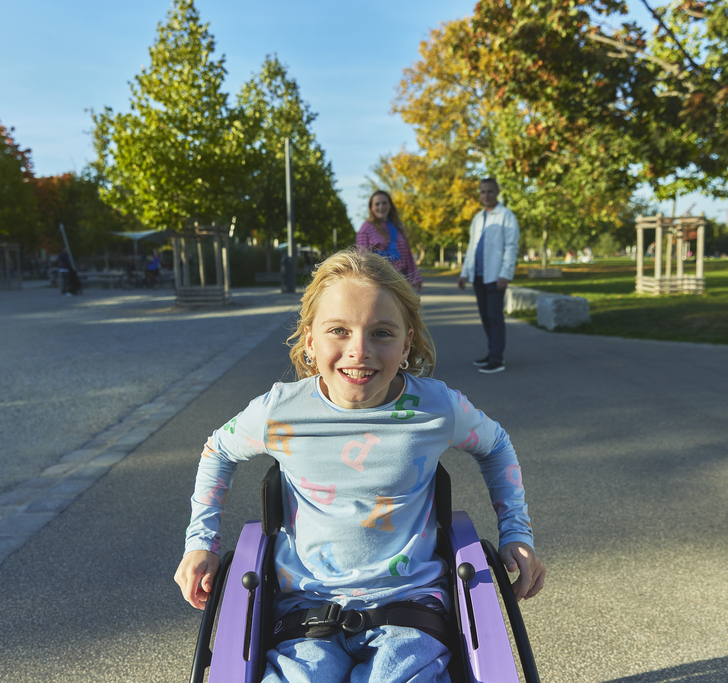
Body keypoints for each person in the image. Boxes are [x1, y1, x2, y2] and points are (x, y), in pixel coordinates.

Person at [175, 249, 545, 683]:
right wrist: (201, 541)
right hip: (304, 614)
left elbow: (496, 444)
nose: (360, 351)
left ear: (406, 343)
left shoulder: (437, 407)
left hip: (411, 611)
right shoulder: (279, 413)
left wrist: (516, 531)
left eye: (381, 333)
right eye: (339, 331)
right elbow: (217, 451)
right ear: (310, 340)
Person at [457, 178, 520, 375]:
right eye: (483, 192)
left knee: (494, 315)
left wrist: (505, 274)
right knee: (485, 316)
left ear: (497, 192)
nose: (486, 195)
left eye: (490, 192)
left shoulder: (506, 216)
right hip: (478, 275)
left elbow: (511, 246)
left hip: (495, 276)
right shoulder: (477, 218)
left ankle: (497, 358)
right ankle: (492, 352)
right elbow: (472, 247)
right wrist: (464, 273)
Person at [356, 190, 423, 292]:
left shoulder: (397, 226)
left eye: (384, 203)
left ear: (390, 205)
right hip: (380, 281)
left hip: (402, 278)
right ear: (371, 208)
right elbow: (362, 259)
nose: (381, 207)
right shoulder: (366, 228)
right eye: (377, 204)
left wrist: (415, 277)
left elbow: (407, 254)